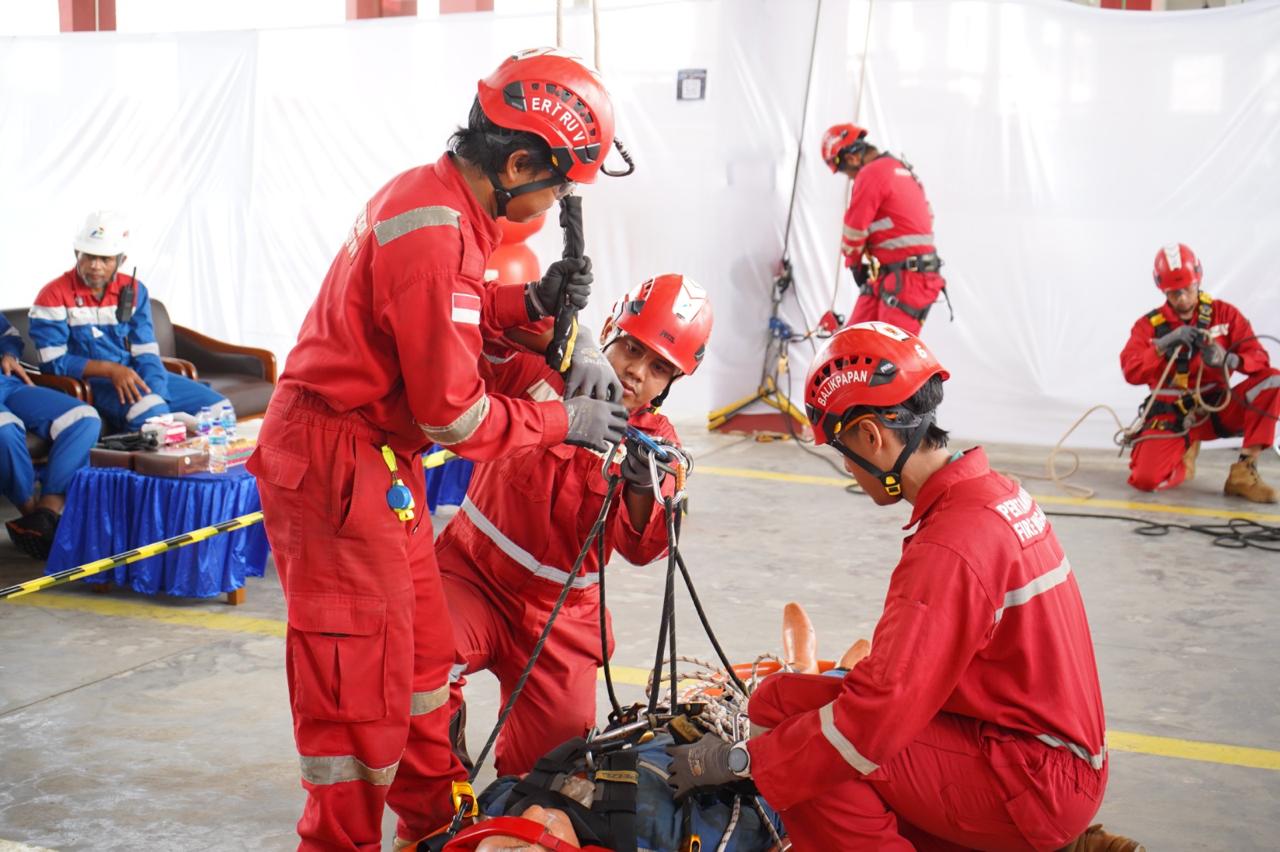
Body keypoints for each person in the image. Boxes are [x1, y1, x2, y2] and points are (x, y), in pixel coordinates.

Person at [245, 48, 632, 852]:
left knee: (421, 666)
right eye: (557, 185)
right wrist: (565, 424)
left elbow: (444, 310)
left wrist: (523, 300)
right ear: (520, 161)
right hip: (336, 466)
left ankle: (435, 827)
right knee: (357, 690)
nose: (555, 201)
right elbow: (455, 420)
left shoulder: (439, 201)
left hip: (379, 467)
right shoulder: (435, 229)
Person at [666, 322, 1142, 851]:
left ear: (871, 434)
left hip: (1033, 780)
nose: (849, 469)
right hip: (1044, 754)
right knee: (790, 702)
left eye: (844, 449)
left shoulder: (950, 545)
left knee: (804, 739)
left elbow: (870, 724)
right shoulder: (992, 494)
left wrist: (740, 762)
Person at [440, 273, 713, 778]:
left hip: (560, 618)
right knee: (418, 662)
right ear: (609, 328)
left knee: (552, 776)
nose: (636, 373)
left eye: (659, 368)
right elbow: (482, 323)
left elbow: (644, 547)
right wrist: (571, 340)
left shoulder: (659, 445)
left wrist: (638, 487)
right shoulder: (540, 373)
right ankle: (435, 810)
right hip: (470, 574)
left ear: (673, 384)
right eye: (630, 347)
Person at [29, 210, 228, 432]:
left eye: (104, 259)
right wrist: (110, 370)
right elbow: (52, 362)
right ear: (77, 253)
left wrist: (155, 388)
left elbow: (146, 350)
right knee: (154, 417)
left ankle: (200, 460)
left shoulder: (134, 290)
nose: (95, 265)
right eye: (88, 256)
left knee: (220, 410)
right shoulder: (53, 295)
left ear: (121, 260)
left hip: (134, 373)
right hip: (93, 382)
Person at [1121, 243, 1279, 503]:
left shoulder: (1224, 315)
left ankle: (1243, 471)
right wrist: (1162, 345)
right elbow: (1131, 370)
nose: (1182, 298)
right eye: (1174, 293)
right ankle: (1184, 457)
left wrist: (1229, 358)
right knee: (1146, 480)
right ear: (1162, 289)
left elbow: (1259, 359)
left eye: (1188, 289)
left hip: (1217, 407)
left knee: (1273, 380)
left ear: (1199, 279)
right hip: (1171, 414)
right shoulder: (1148, 327)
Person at [821, 123, 948, 334]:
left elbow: (854, 228)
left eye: (848, 174)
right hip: (898, 275)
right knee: (854, 342)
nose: (852, 178)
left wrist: (854, 264)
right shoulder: (902, 169)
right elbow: (927, 217)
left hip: (907, 281)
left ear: (852, 159)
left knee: (888, 356)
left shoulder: (870, 174)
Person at [0, 315, 100, 559]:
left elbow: (9, 336)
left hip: (8, 383)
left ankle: (47, 512)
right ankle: (32, 515)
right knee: (5, 428)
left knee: (84, 417)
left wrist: (9, 355)